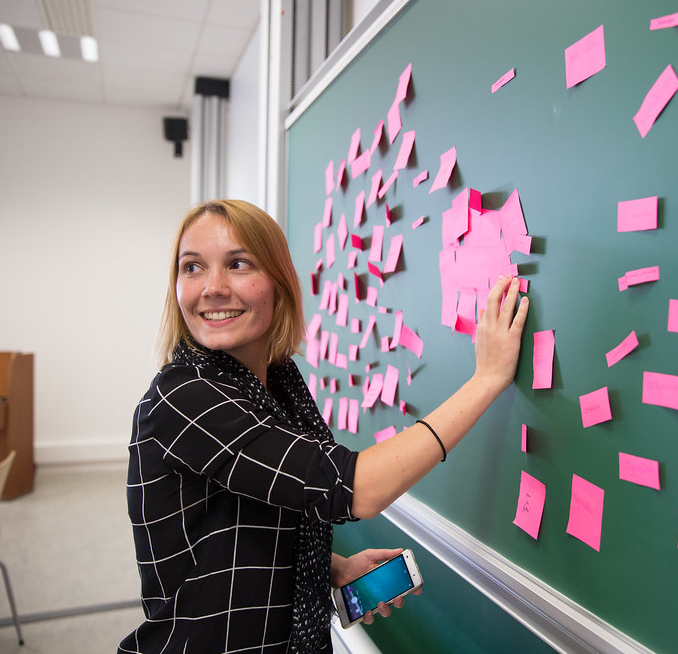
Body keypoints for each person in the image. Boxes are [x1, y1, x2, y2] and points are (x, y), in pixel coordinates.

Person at [119, 199, 529, 653]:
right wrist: (487, 380)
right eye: (192, 267)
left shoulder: (278, 383)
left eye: (237, 264)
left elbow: (245, 513)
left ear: (279, 283)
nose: (212, 287)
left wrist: (328, 568)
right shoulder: (185, 396)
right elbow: (354, 487)